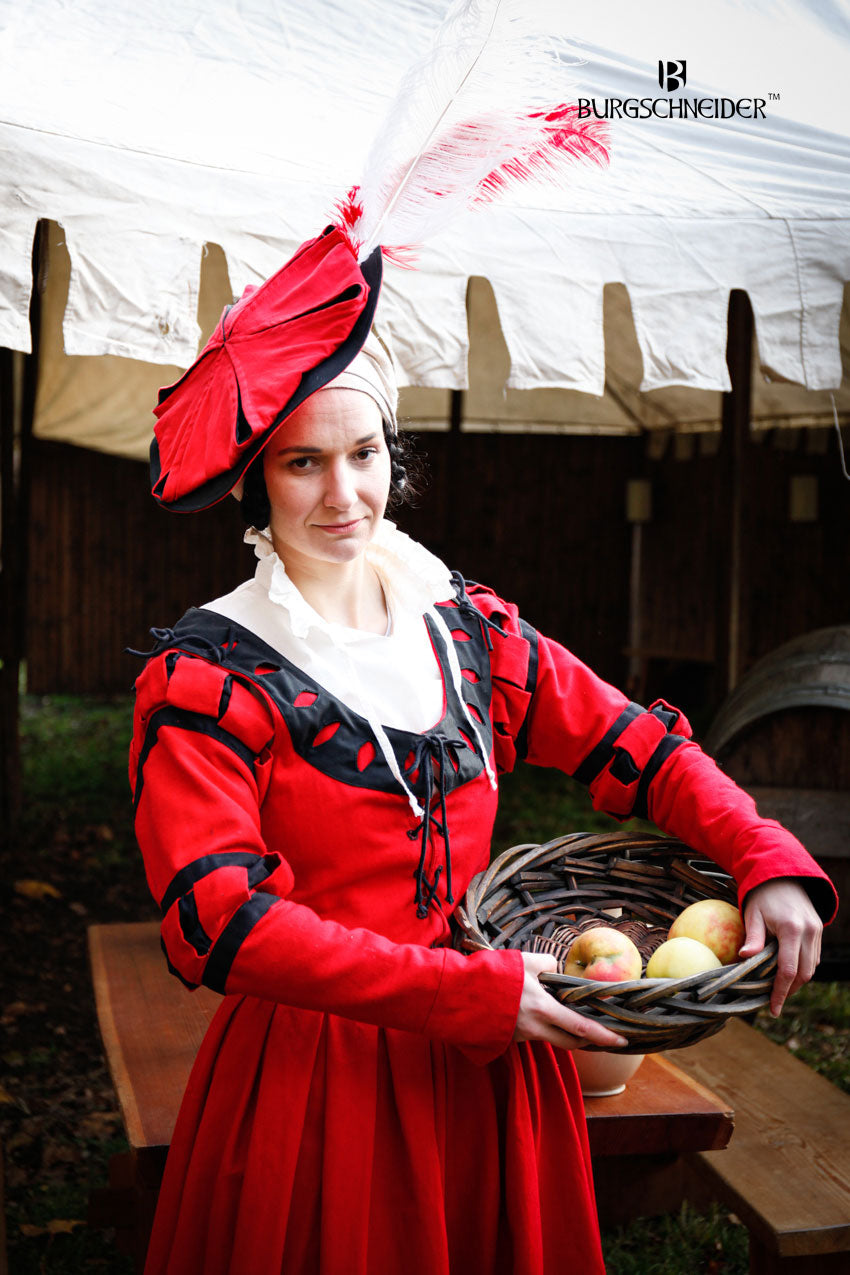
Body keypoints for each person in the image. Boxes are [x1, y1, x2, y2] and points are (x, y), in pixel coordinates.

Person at [131, 227, 836, 1274]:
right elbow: (218, 926)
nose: (342, 496)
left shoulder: (469, 632)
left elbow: (636, 747)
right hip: (321, 1078)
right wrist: (465, 996)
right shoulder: (207, 677)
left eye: (363, 454)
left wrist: (762, 857)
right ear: (253, 481)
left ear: (393, 457)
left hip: (501, 1052)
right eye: (302, 463)